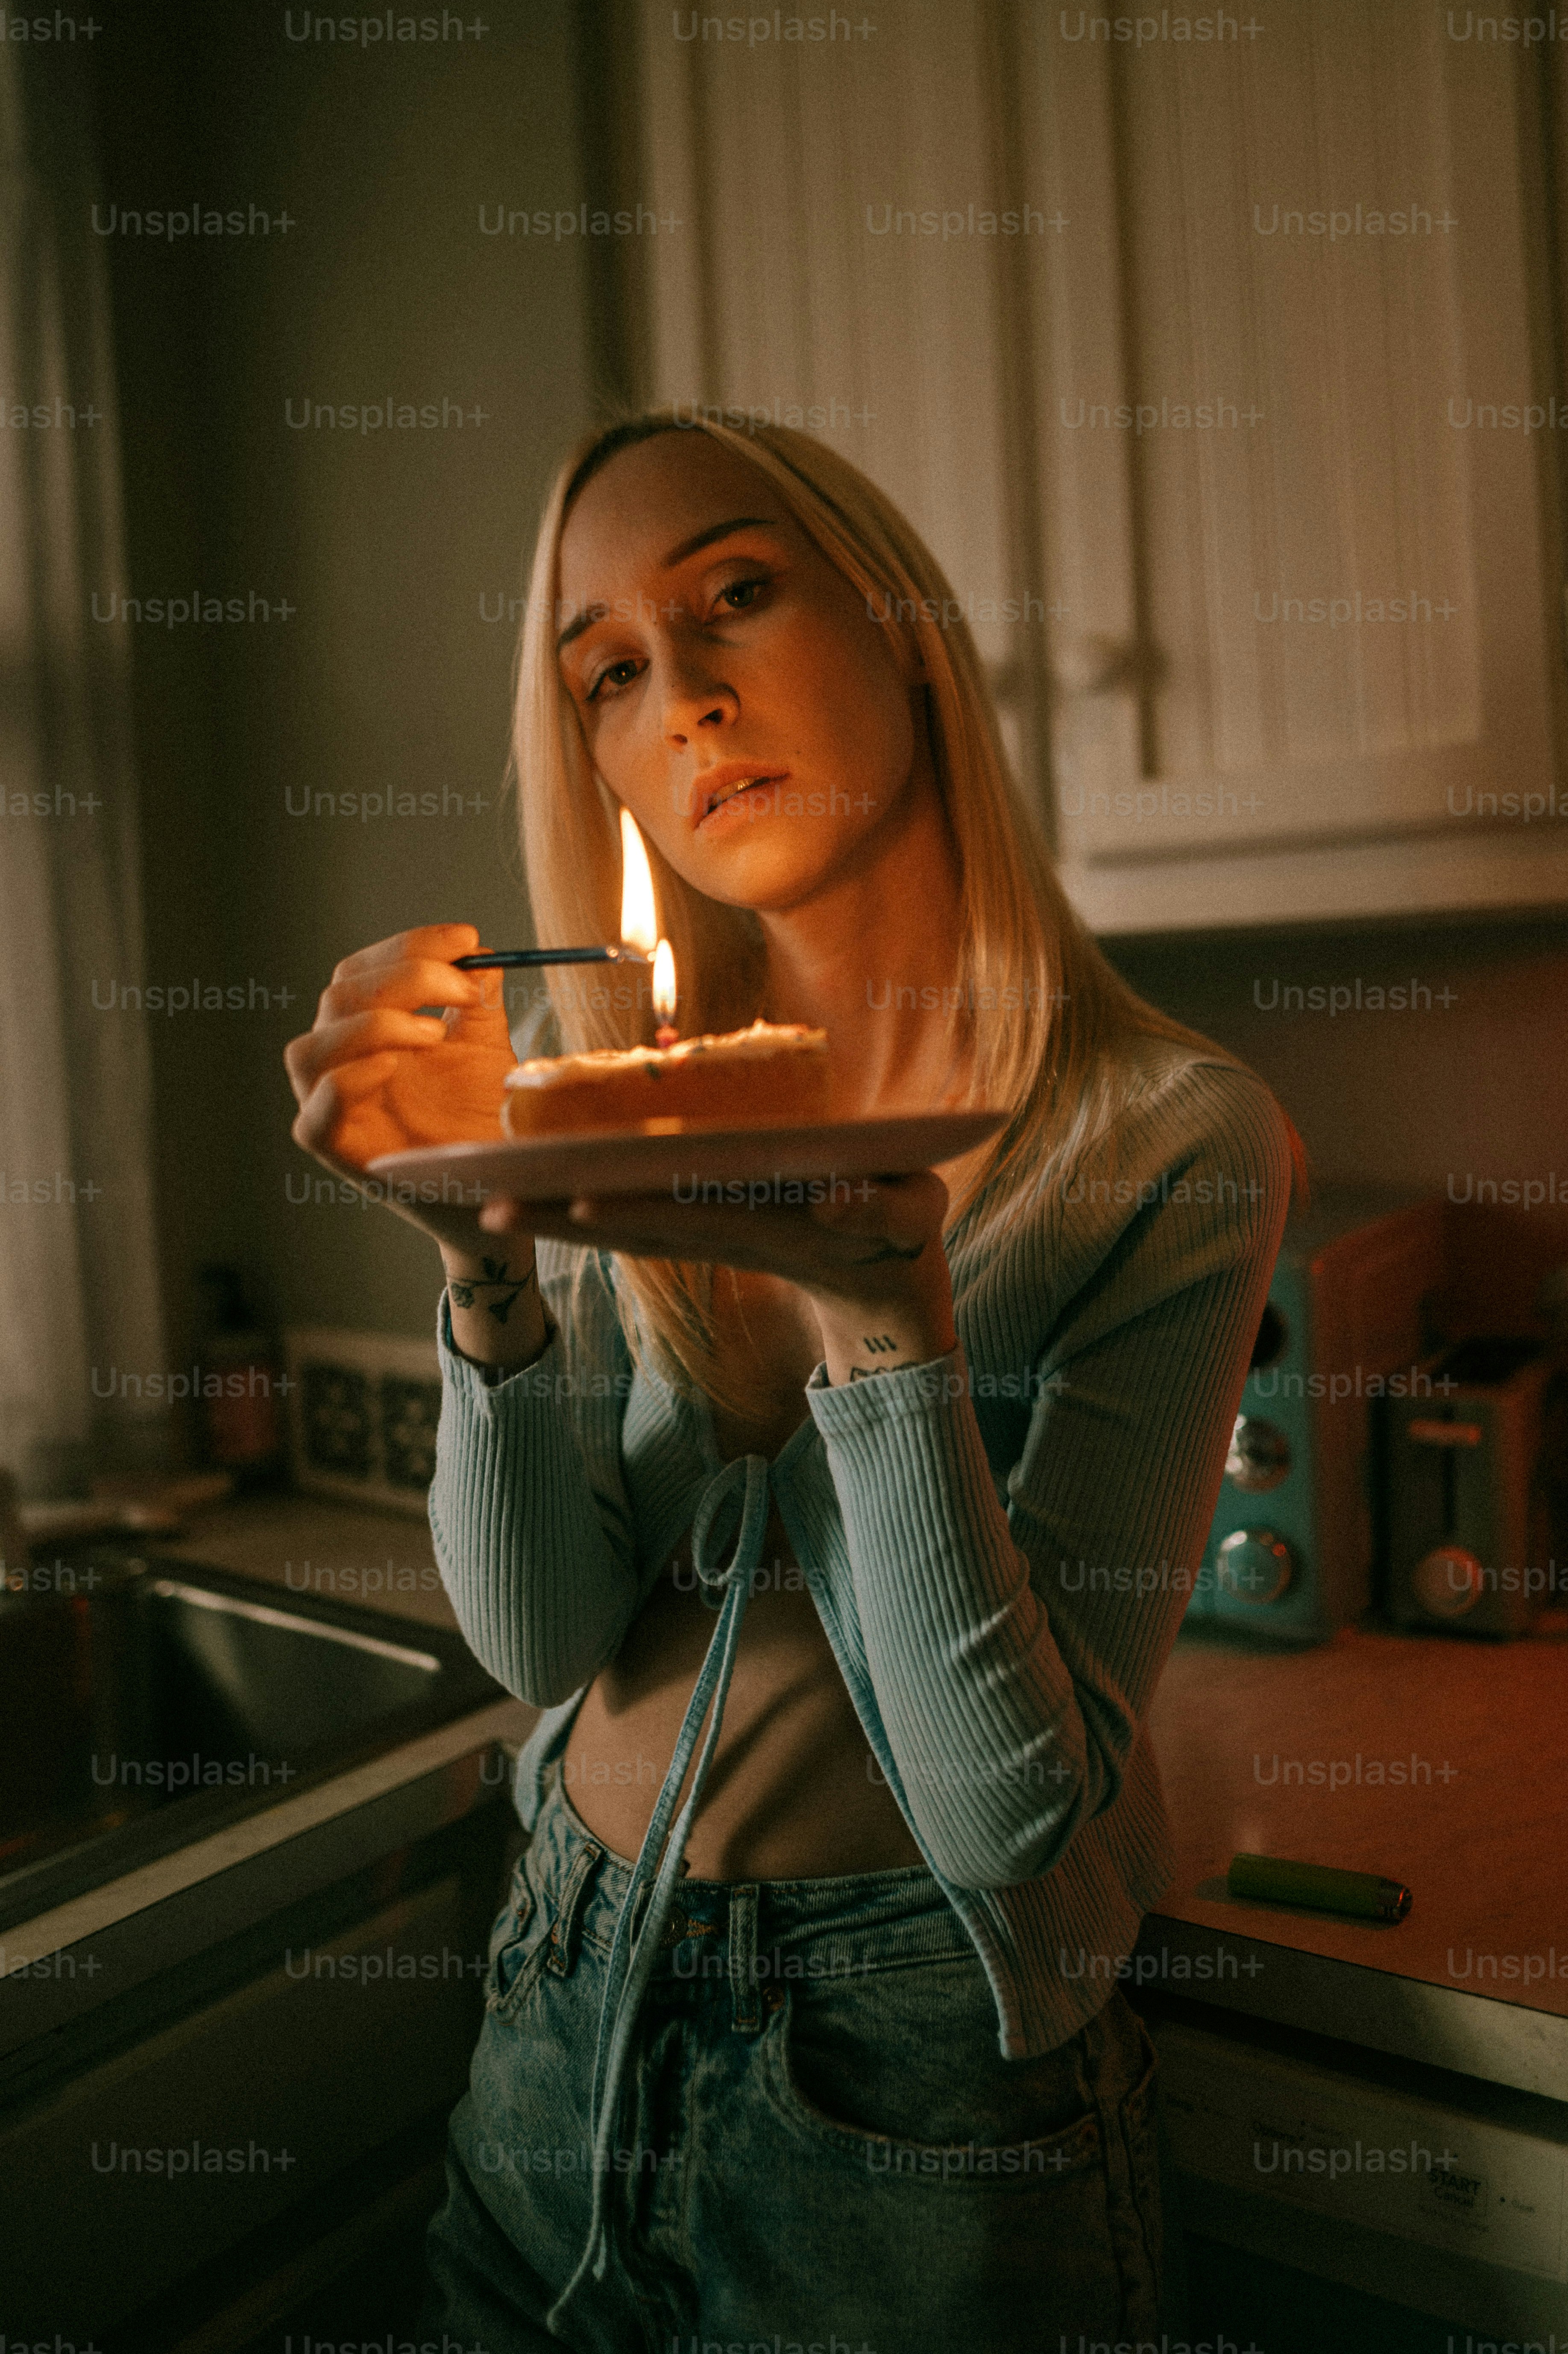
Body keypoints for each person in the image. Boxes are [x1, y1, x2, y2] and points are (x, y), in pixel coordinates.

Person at [284, 409, 1296, 2350]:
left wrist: (887, 1323)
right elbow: (544, 1633)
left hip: (902, 2114)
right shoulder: (623, 1113)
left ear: (904, 621)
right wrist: (478, 1259)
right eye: (609, 675)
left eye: (736, 593)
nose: (686, 702)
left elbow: (1016, 1813)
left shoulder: (1169, 1141)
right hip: (554, 2013)